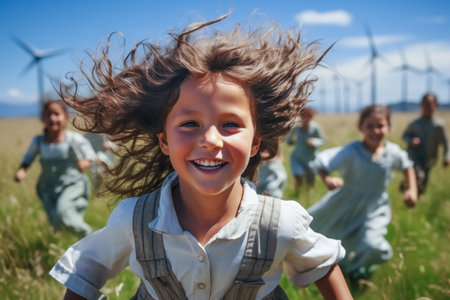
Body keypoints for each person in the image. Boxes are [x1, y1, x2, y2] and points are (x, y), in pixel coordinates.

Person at [49, 14, 352, 300]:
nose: (209, 140)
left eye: (230, 124)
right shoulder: (134, 220)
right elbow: (84, 270)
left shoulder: (280, 224)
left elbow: (324, 265)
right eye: (189, 124)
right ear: (164, 141)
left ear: (256, 143)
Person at [307, 105, 418, 284]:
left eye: (380, 126)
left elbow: (407, 165)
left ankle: (360, 269)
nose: (375, 130)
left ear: (389, 127)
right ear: (361, 127)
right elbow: (322, 162)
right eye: (370, 126)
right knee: (321, 232)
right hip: (346, 203)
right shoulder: (352, 151)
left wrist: (412, 190)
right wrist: (328, 179)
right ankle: (347, 271)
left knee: (373, 244)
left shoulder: (392, 152)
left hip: (375, 207)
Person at [14, 100, 96, 235]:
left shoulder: (73, 139)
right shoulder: (38, 141)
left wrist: (85, 163)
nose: (52, 118)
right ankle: (68, 246)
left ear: (65, 117)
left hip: (71, 185)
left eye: (56, 114)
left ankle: (88, 235)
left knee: (63, 211)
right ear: (43, 118)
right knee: (55, 221)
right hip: (48, 187)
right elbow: (28, 158)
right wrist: (22, 170)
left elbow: (90, 156)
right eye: (48, 115)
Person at [402, 93, 449, 194]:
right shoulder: (415, 123)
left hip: (429, 159)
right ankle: (410, 194)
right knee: (419, 175)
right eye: (426, 104)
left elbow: (445, 143)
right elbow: (405, 135)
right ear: (421, 105)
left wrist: (447, 156)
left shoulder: (439, 126)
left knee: (423, 184)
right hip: (414, 157)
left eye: (431, 104)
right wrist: (411, 141)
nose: (428, 107)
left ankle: (409, 191)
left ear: (436, 105)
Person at [286, 107, 325, 194]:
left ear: (311, 117)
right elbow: (289, 140)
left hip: (311, 157)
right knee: (298, 176)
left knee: (310, 178)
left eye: (308, 116)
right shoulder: (296, 128)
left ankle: (308, 195)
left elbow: (322, 140)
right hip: (297, 157)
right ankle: (297, 194)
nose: (305, 118)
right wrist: (291, 142)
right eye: (303, 116)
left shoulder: (315, 128)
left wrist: (314, 142)